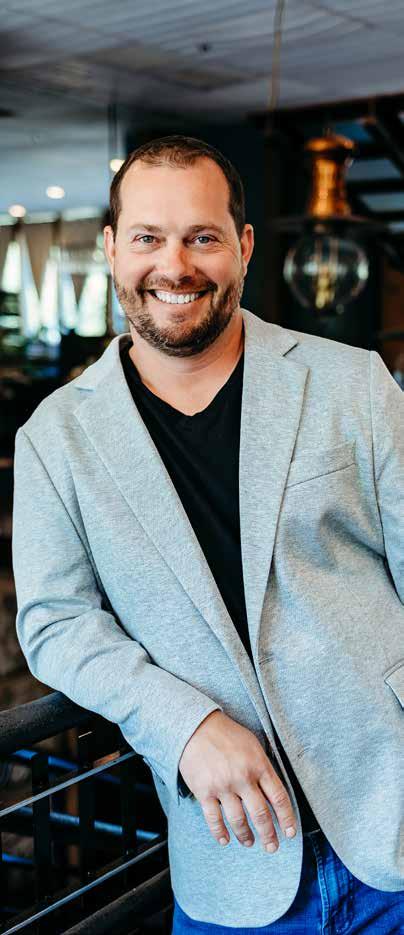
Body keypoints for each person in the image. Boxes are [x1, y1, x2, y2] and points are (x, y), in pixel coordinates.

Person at [12, 136, 404, 933]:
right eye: (148, 238)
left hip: (393, 822)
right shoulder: (55, 438)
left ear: (244, 246)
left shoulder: (352, 381)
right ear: (113, 249)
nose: (175, 265)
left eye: (202, 236)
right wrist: (181, 722)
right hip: (234, 868)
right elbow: (54, 621)